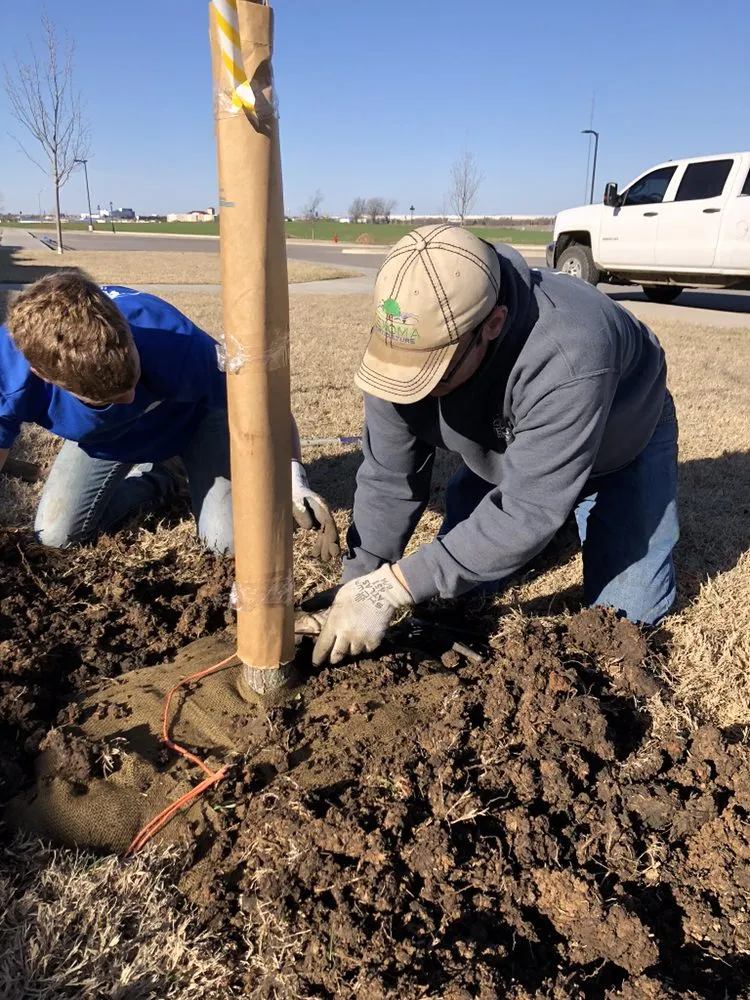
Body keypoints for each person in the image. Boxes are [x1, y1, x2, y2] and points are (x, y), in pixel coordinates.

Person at [311, 224, 678, 665]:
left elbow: (527, 512)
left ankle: (563, 512)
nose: (413, 391)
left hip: (618, 440)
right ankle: (550, 517)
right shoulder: (404, 344)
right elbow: (389, 478)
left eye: (434, 374)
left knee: (626, 618)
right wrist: (360, 584)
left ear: (493, 325)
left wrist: (397, 588)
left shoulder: (570, 348)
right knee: (465, 584)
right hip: (514, 439)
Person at [0, 271, 338, 560]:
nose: (132, 397)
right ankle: (161, 481)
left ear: (127, 331)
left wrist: (293, 479)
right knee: (55, 537)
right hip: (105, 442)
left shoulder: (177, 343)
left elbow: (269, 406)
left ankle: (184, 464)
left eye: (134, 379)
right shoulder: (9, 374)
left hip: (196, 423)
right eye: (110, 397)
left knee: (227, 543)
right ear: (43, 375)